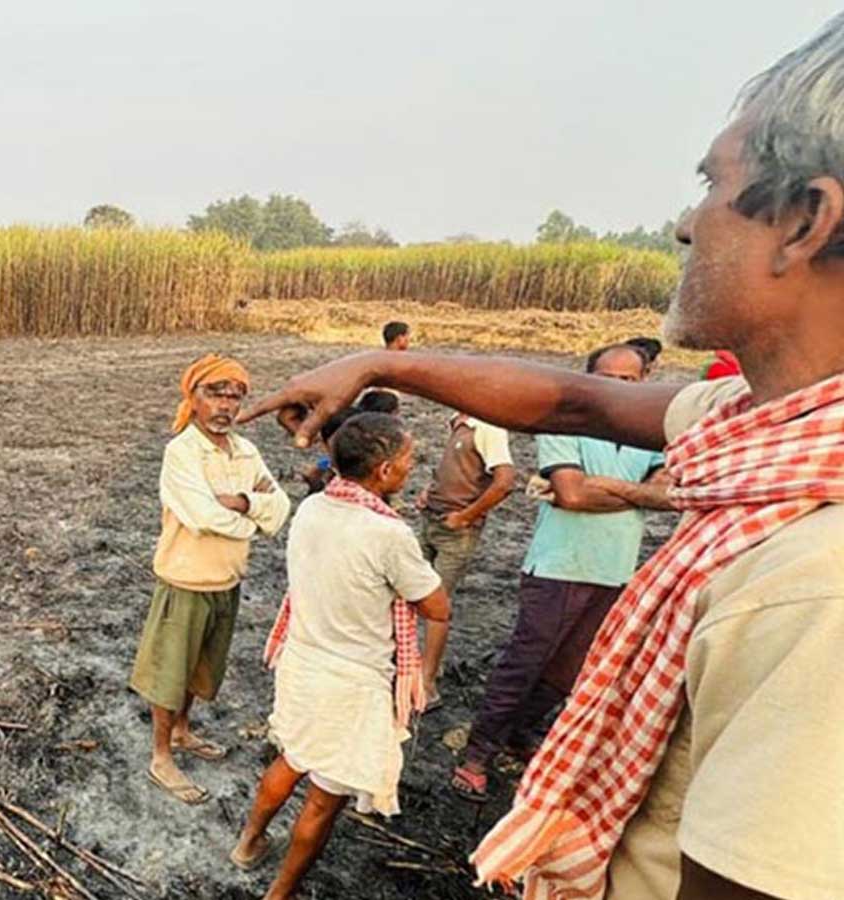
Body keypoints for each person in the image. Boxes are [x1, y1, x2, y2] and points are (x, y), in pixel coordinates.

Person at [239, 16, 844, 897]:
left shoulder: (814, 587)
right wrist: (380, 361)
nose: (683, 226)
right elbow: (576, 398)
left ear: (804, 221)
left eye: (712, 183)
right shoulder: (754, 422)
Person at [230, 413, 450, 900]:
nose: (413, 468)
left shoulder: (312, 509)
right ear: (386, 471)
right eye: (409, 460)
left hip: (302, 662)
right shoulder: (388, 534)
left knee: (291, 759)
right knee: (324, 799)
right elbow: (437, 606)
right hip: (352, 682)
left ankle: (248, 843)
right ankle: (281, 892)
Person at [449, 344, 670, 802]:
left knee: (572, 666)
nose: (616, 388)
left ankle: (521, 732)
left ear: (645, 380)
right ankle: (477, 753)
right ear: (588, 378)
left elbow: (667, 492)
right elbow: (571, 495)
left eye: (629, 381)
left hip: (615, 568)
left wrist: (605, 487)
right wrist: (635, 493)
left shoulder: (648, 434)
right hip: (558, 565)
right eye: (606, 377)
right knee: (526, 660)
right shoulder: (563, 424)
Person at [129, 353, 290, 805]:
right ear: (193, 398)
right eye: (214, 393)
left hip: (226, 579)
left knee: (202, 667)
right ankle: (161, 756)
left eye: (235, 395)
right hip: (185, 580)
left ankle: (182, 731)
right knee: (170, 673)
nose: (225, 404)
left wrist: (240, 503)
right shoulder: (181, 451)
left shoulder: (245, 451)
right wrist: (253, 517)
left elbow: (280, 508)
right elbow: (200, 516)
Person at [414, 402, 517, 702]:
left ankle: (427, 682)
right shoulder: (458, 422)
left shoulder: (488, 427)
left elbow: (505, 482)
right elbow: (457, 471)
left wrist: (467, 516)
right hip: (434, 519)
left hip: (456, 530)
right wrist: (430, 493)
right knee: (413, 595)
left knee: (436, 606)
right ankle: (422, 666)